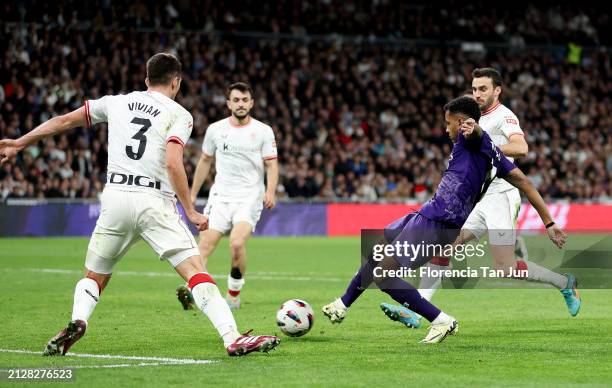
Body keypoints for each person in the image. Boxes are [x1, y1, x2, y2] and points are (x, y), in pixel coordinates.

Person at [0, 53, 280, 357]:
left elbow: (65, 120)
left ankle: (78, 320)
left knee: (94, 275)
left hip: (116, 198)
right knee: (195, 270)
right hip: (153, 201)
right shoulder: (180, 114)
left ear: (147, 80)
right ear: (176, 82)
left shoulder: (115, 102)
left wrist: (20, 142)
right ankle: (232, 337)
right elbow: (173, 163)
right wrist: (189, 209)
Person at [321, 96, 567, 344]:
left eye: (448, 123)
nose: (445, 128)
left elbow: (477, 134)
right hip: (429, 214)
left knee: (384, 275)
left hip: (437, 221)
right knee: (377, 252)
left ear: (461, 123)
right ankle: (341, 305)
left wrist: (474, 127)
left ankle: (441, 320)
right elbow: (524, 181)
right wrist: (549, 222)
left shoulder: (470, 137)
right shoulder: (493, 153)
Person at [382, 68, 580, 328]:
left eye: (483, 89)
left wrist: (487, 150)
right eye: (474, 89)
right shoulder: (471, 116)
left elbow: (522, 148)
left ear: (497, 90)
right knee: (443, 247)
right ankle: (418, 311)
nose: (477, 94)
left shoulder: (504, 116)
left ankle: (564, 283)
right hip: (477, 199)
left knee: (505, 267)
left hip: (502, 195)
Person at [176, 82, 278, 310]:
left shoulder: (263, 131)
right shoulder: (215, 130)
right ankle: (198, 292)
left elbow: (271, 165)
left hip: (250, 197)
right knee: (204, 246)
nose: (240, 104)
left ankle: (233, 296)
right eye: (236, 100)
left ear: (251, 103)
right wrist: (192, 194)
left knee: (236, 243)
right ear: (228, 103)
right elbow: (204, 161)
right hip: (220, 196)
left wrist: (270, 191)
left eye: (244, 100)